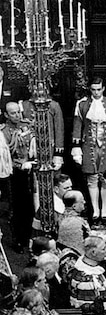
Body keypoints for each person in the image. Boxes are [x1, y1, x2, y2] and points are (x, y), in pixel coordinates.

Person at [71, 77, 106, 225]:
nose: (96, 92)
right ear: (90, 89)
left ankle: (105, 211)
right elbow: (77, 125)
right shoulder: (82, 104)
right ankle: (95, 210)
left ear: (103, 89)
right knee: (92, 178)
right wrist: (76, 146)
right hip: (89, 144)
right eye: (93, 89)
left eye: (98, 89)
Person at [2, 101, 36, 252]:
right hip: (14, 173)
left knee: (30, 207)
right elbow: (5, 157)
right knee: (16, 208)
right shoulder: (3, 132)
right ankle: (17, 240)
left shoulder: (27, 125)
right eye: (13, 113)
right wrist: (19, 165)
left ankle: (29, 237)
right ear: (6, 115)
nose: (17, 115)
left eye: (18, 112)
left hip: (30, 170)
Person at [57, 190, 89, 254]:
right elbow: (79, 247)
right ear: (74, 206)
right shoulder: (73, 223)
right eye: (82, 201)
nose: (84, 202)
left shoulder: (61, 217)